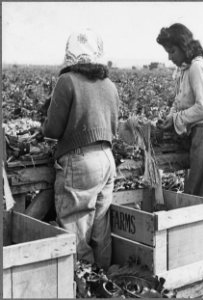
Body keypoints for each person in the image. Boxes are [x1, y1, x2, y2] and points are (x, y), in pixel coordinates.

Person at [43, 28, 119, 270]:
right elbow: (114, 127)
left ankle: (82, 287)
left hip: (80, 160)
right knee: (100, 226)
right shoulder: (109, 85)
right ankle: (105, 283)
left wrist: (42, 126)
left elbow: (52, 130)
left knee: (75, 227)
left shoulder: (67, 81)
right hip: (107, 159)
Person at [156, 23, 203, 222]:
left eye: (172, 51)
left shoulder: (197, 66)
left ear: (184, 47)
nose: (169, 57)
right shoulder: (186, 69)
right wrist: (170, 116)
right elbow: (180, 100)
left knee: (200, 190)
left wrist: (177, 119)